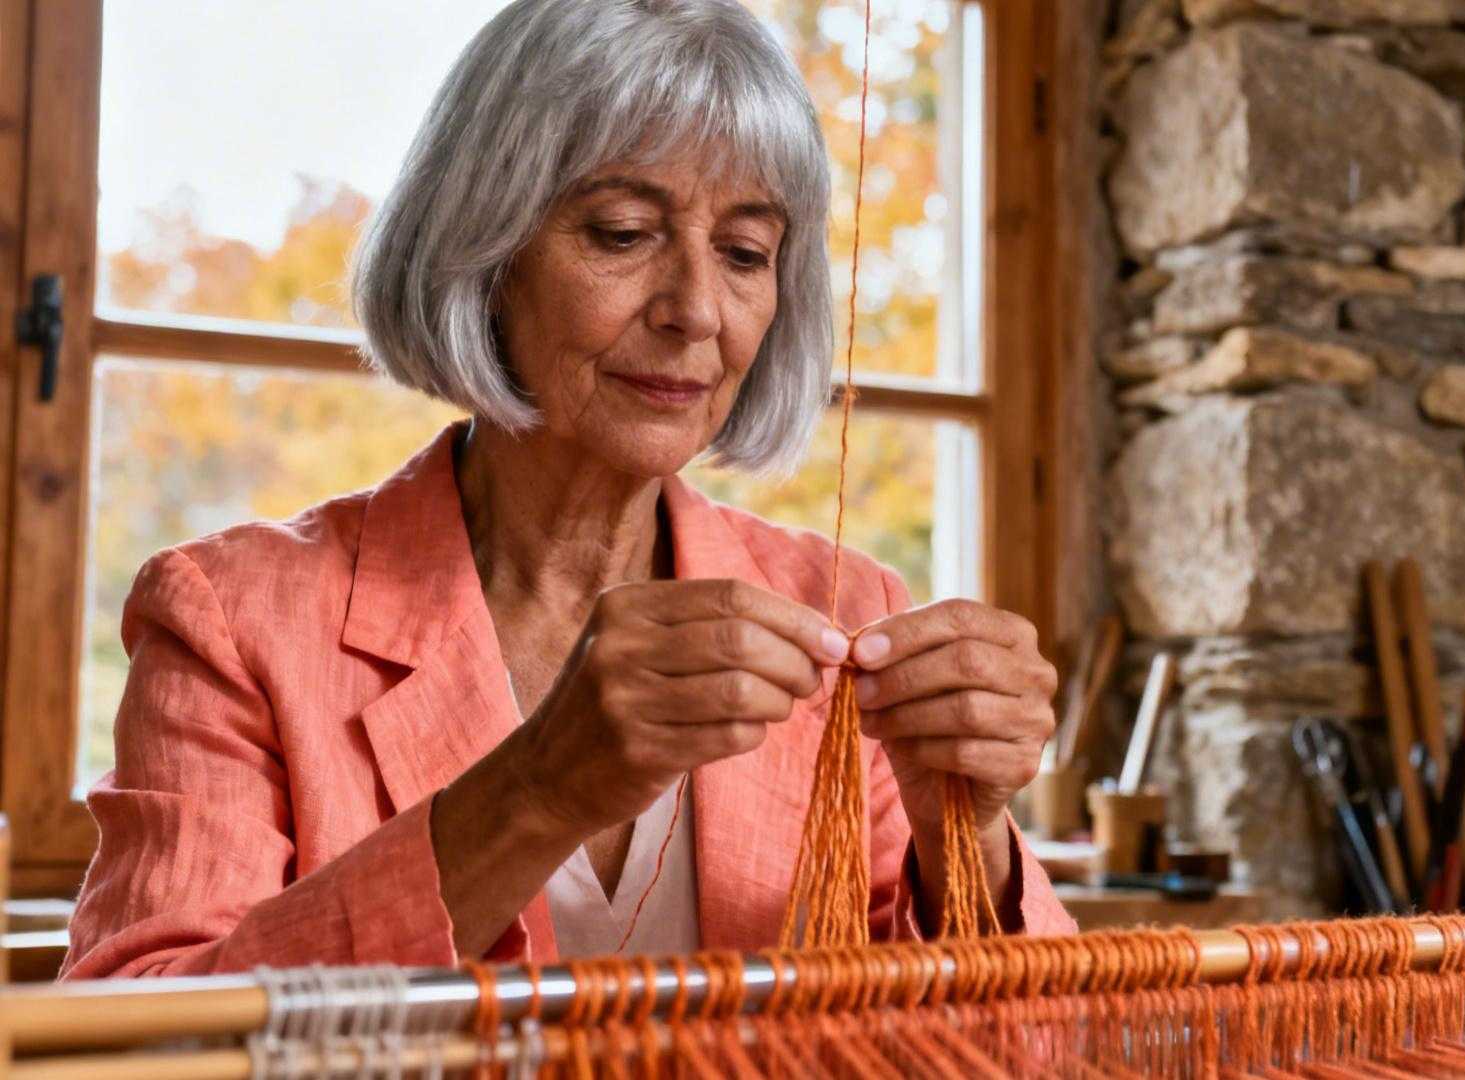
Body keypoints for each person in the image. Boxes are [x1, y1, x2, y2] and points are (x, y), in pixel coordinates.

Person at [62, 0, 1071, 978]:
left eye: (746, 254)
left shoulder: (851, 611)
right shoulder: (235, 620)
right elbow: (148, 1042)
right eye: (624, 233)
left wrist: (967, 830)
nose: (694, 312)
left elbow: (1015, 1049)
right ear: (483, 250)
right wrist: (536, 792)